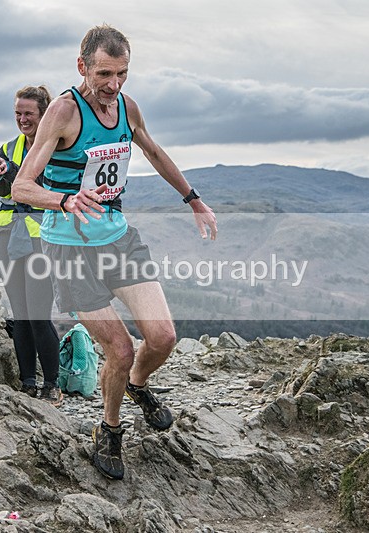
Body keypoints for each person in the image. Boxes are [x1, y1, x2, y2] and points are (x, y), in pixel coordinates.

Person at [12, 25, 218, 480]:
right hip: (68, 247)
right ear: (82, 66)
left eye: (122, 73)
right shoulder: (64, 111)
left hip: (117, 238)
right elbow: (22, 186)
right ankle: (108, 428)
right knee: (120, 349)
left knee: (163, 337)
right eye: (105, 73)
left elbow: (154, 151)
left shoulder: (127, 106)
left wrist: (193, 199)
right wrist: (65, 200)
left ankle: (137, 386)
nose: (114, 84)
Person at [0, 86, 63, 406]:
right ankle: (28, 381)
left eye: (29, 113)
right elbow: (7, 190)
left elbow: (39, 188)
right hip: (7, 235)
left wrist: (11, 173)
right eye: (18, 113)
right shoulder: (8, 146)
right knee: (21, 314)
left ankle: (52, 384)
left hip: (40, 239)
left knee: (40, 313)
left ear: (44, 115)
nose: (22, 119)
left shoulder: (55, 147)